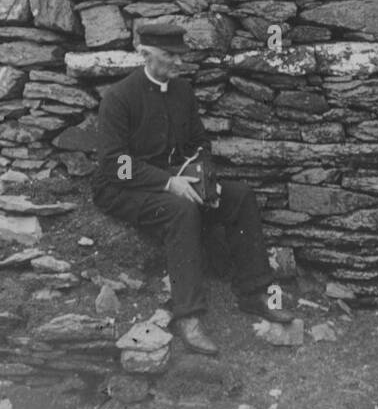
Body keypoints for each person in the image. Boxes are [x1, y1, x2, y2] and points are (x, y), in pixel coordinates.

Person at [93, 23, 293, 355]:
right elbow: (115, 164)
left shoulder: (182, 92)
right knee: (181, 209)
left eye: (179, 55)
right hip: (121, 189)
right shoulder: (119, 97)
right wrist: (168, 182)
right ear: (145, 54)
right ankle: (189, 315)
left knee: (240, 195)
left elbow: (200, 143)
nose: (177, 62)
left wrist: (201, 178)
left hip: (175, 178)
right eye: (168, 55)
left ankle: (253, 293)